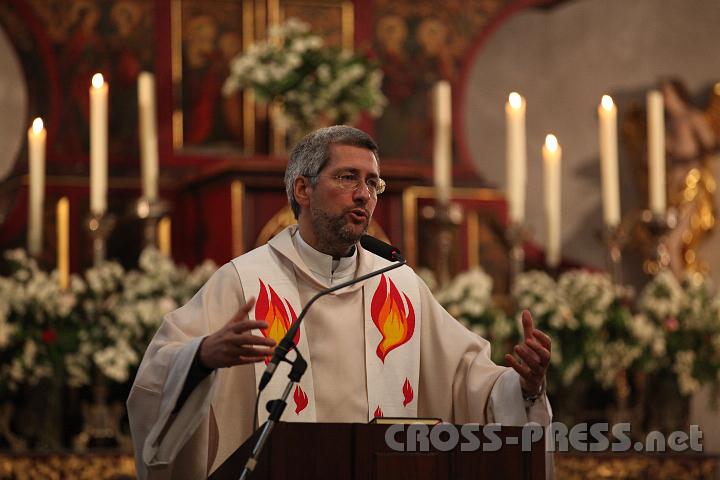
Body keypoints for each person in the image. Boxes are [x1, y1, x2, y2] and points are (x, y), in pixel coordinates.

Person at [127, 126, 552, 479]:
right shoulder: (245, 282)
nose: (364, 194)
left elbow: (469, 384)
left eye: (372, 182)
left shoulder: (398, 286)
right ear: (303, 190)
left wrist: (525, 388)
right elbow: (155, 376)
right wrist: (201, 358)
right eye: (348, 177)